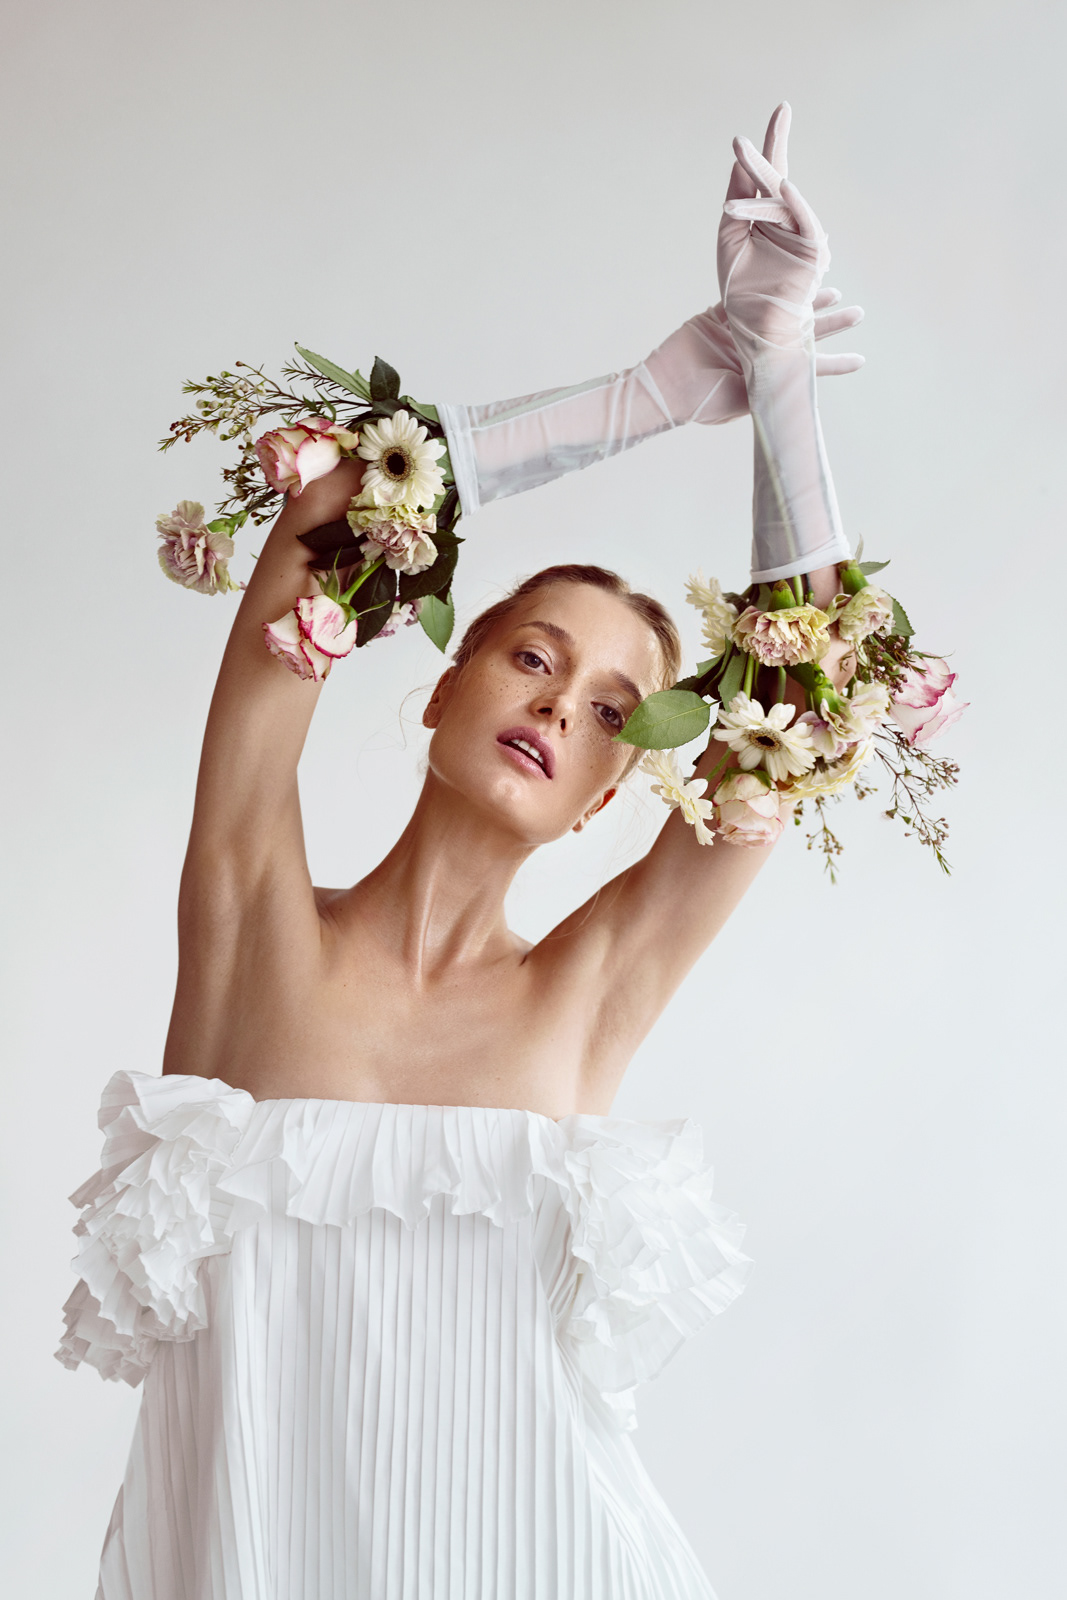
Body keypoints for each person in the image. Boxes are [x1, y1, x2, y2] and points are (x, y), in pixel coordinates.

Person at [57, 106, 863, 1598]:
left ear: (615, 794)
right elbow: (328, 523)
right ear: (439, 681)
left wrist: (785, 373)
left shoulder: (590, 988)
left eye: (614, 707)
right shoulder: (253, 918)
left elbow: (807, 722)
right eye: (533, 658)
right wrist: (649, 393)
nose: (562, 704)